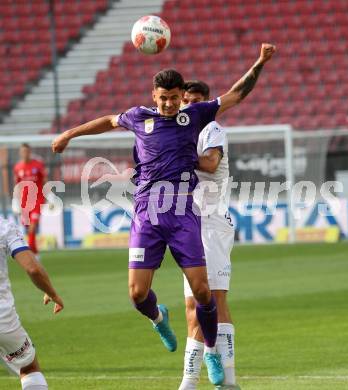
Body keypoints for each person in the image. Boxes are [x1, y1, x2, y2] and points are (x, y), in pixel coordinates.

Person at [52, 43, 275, 386]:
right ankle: (158, 318)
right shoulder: (139, 117)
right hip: (147, 213)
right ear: (153, 95)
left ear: (180, 96)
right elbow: (108, 121)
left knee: (203, 292)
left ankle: (213, 351)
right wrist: (69, 133)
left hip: (184, 211)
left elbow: (234, 96)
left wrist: (259, 62)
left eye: (174, 97)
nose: (169, 103)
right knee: (137, 295)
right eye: (163, 97)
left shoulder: (194, 116)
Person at [179, 81, 238, 390]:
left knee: (214, 300)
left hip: (212, 223)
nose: (190, 105)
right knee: (192, 306)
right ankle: (191, 381)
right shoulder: (176, 132)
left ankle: (228, 380)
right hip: (188, 225)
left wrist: (177, 157)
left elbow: (212, 163)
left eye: (196, 100)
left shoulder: (211, 129)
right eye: (185, 100)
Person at [0, 216, 64, 390]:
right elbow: (33, 269)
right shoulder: (4, 226)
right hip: (3, 320)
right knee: (28, 367)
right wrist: (52, 293)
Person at [13, 144, 48, 257]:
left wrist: (48, 196)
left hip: (37, 200)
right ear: (20, 153)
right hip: (24, 203)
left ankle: (34, 255)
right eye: (23, 151)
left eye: (27, 151)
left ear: (30, 152)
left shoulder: (38, 165)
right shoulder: (17, 167)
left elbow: (45, 181)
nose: (25, 153)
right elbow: (17, 185)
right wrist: (16, 201)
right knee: (28, 229)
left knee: (32, 228)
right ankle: (35, 252)